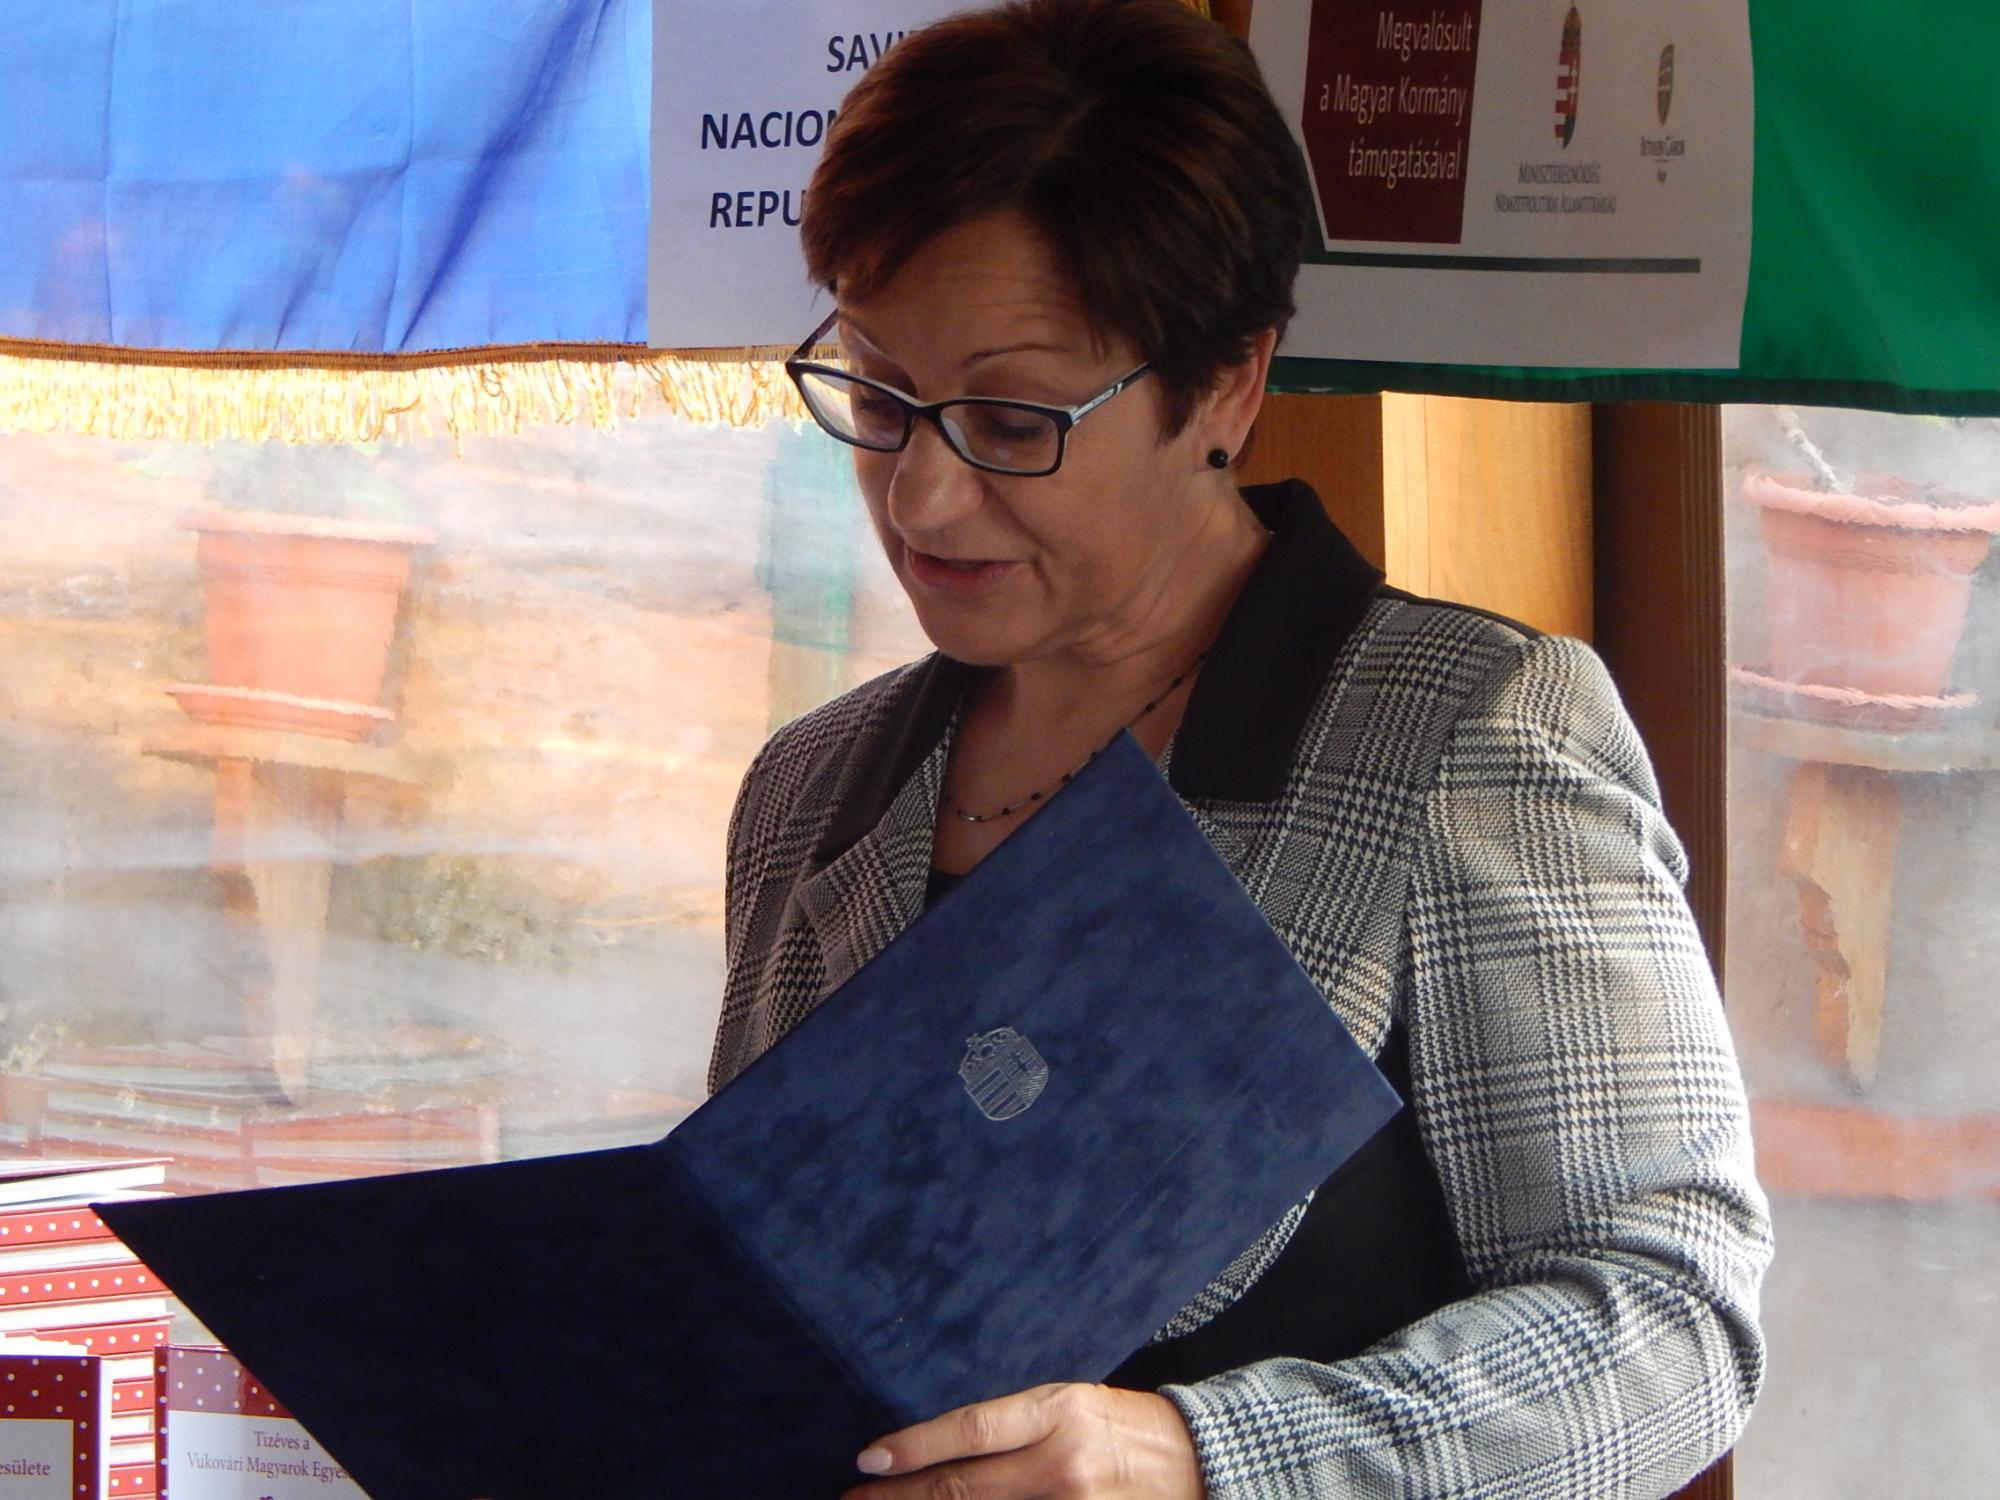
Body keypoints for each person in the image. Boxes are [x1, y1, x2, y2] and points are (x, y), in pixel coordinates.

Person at [707, 2, 1772, 1495]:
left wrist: (1206, 1461)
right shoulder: (813, 790)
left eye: (1013, 421)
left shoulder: (1460, 735)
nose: (921, 499)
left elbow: (1673, 1326)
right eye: (881, 397)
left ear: (1226, 385)